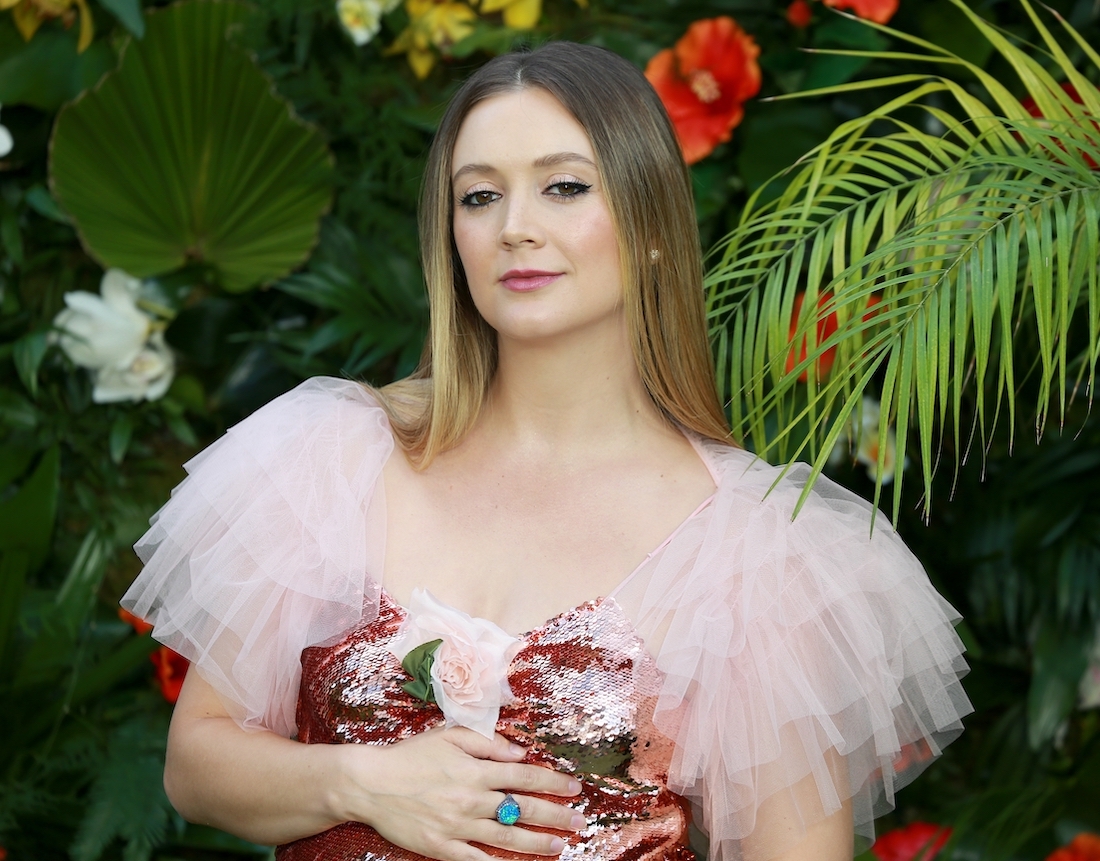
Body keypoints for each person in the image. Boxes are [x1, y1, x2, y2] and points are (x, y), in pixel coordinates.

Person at [121, 41, 971, 861]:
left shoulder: (756, 553)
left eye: (564, 187)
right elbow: (196, 766)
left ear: (649, 224)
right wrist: (362, 782)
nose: (515, 228)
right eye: (479, 196)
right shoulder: (335, 457)